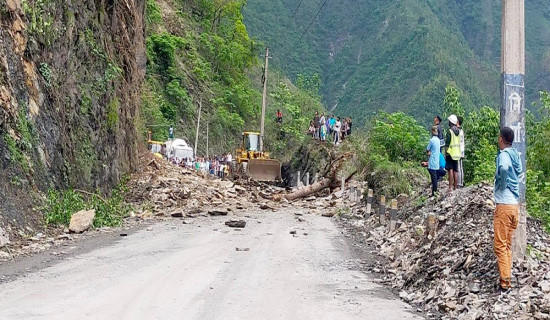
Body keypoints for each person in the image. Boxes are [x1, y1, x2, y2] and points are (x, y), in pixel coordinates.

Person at [493, 127, 522, 292]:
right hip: (514, 206)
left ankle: (505, 284)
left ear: (502, 139)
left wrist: (501, 183)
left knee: (500, 245)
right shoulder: (515, 155)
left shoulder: (504, 155)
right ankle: (507, 277)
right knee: (507, 245)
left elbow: (503, 169)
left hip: (504, 205)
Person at [445, 115, 461, 191]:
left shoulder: (450, 132)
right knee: (456, 170)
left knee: (450, 169)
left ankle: (450, 187)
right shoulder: (459, 131)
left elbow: (447, 143)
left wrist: (446, 152)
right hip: (457, 153)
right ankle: (455, 187)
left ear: (451, 122)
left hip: (450, 153)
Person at [426, 126, 441, 196]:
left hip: (432, 162)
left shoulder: (432, 140)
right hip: (437, 162)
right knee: (435, 176)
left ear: (432, 132)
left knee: (433, 178)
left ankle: (434, 192)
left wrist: (429, 152)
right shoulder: (438, 140)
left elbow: (427, 149)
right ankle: (434, 191)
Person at [457, 116, 465, 188]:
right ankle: (461, 182)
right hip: (461, 150)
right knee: (460, 166)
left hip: (458, 150)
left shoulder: (458, 131)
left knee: (458, 166)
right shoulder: (461, 130)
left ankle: (459, 183)